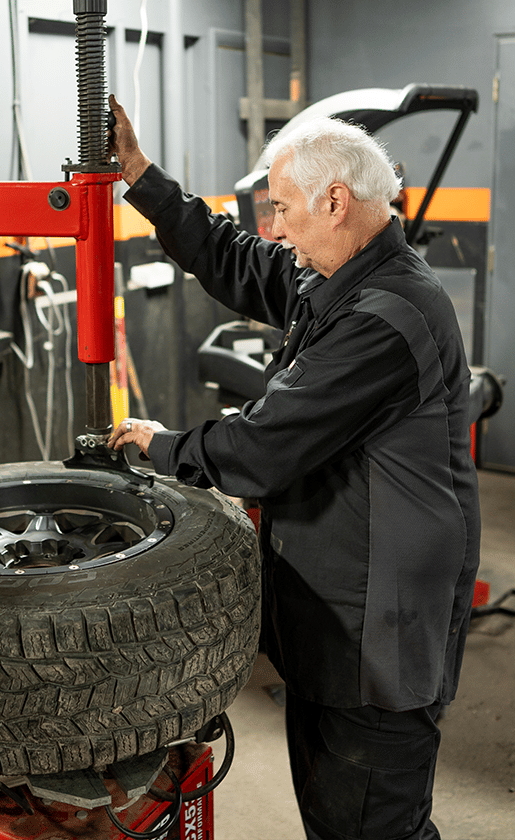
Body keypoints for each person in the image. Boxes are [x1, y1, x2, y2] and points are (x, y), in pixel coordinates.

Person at [106, 94, 480, 840]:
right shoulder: (341, 277)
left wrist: (160, 444)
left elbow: (263, 448)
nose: (273, 227)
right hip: (338, 624)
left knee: (371, 824)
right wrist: (141, 177)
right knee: (337, 815)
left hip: (379, 639)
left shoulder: (384, 315)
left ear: (335, 201)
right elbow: (237, 260)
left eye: (281, 207)